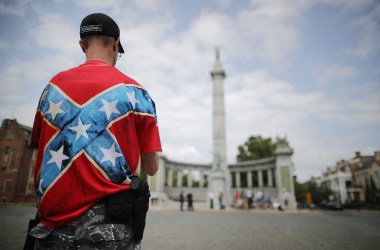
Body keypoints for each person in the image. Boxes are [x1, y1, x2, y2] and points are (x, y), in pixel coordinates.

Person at [28, 13, 162, 249]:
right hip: (109, 224)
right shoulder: (136, 93)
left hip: (52, 226)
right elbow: (150, 167)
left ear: (82, 46)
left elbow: (38, 153)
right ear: (116, 43)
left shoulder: (52, 88)